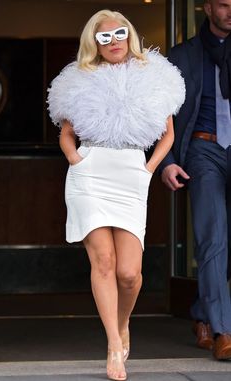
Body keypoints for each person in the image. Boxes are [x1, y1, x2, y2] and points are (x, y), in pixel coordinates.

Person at [47, 9, 185, 380]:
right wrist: (75, 158)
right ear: (94, 42)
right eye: (104, 37)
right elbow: (66, 133)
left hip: (130, 174)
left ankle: (123, 323)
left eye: (118, 34)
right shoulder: (78, 79)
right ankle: (113, 345)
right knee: (103, 262)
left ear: (129, 36)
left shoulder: (154, 77)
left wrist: (148, 168)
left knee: (129, 274)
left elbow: (168, 134)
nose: (113, 42)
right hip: (90, 174)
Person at [160, 0, 231, 360]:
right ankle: (225, 331)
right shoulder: (182, 55)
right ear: (206, 7)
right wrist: (168, 162)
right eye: (224, 4)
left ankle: (203, 314)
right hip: (203, 150)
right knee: (213, 238)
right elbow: (161, 113)